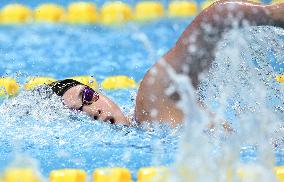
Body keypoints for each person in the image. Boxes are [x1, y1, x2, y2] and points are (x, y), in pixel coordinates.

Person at [49, 0, 284, 126]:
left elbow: (217, 17)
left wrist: (272, 15)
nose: (93, 111)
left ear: (100, 92)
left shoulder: (152, 103)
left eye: (88, 97)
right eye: (78, 114)